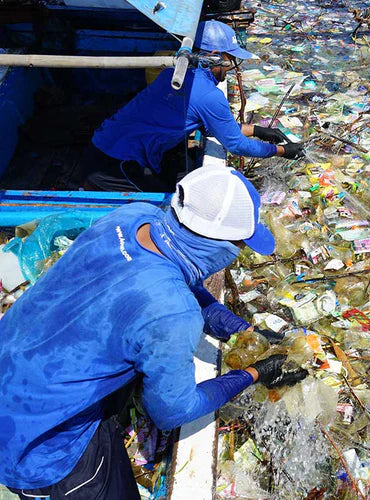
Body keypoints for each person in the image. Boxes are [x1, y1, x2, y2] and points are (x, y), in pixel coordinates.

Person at [0, 166, 306, 498]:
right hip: (38, 443)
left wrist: (241, 329)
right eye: (239, 244)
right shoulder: (173, 313)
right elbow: (173, 411)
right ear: (218, 243)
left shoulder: (135, 217)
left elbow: (166, 280)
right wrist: (252, 374)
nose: (237, 254)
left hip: (17, 356)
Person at [83, 20, 304, 192]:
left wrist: (257, 130)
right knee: (163, 212)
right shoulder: (208, 95)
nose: (229, 68)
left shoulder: (170, 74)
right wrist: (281, 151)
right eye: (229, 60)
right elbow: (236, 145)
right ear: (215, 57)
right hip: (116, 164)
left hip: (102, 144)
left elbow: (211, 126)